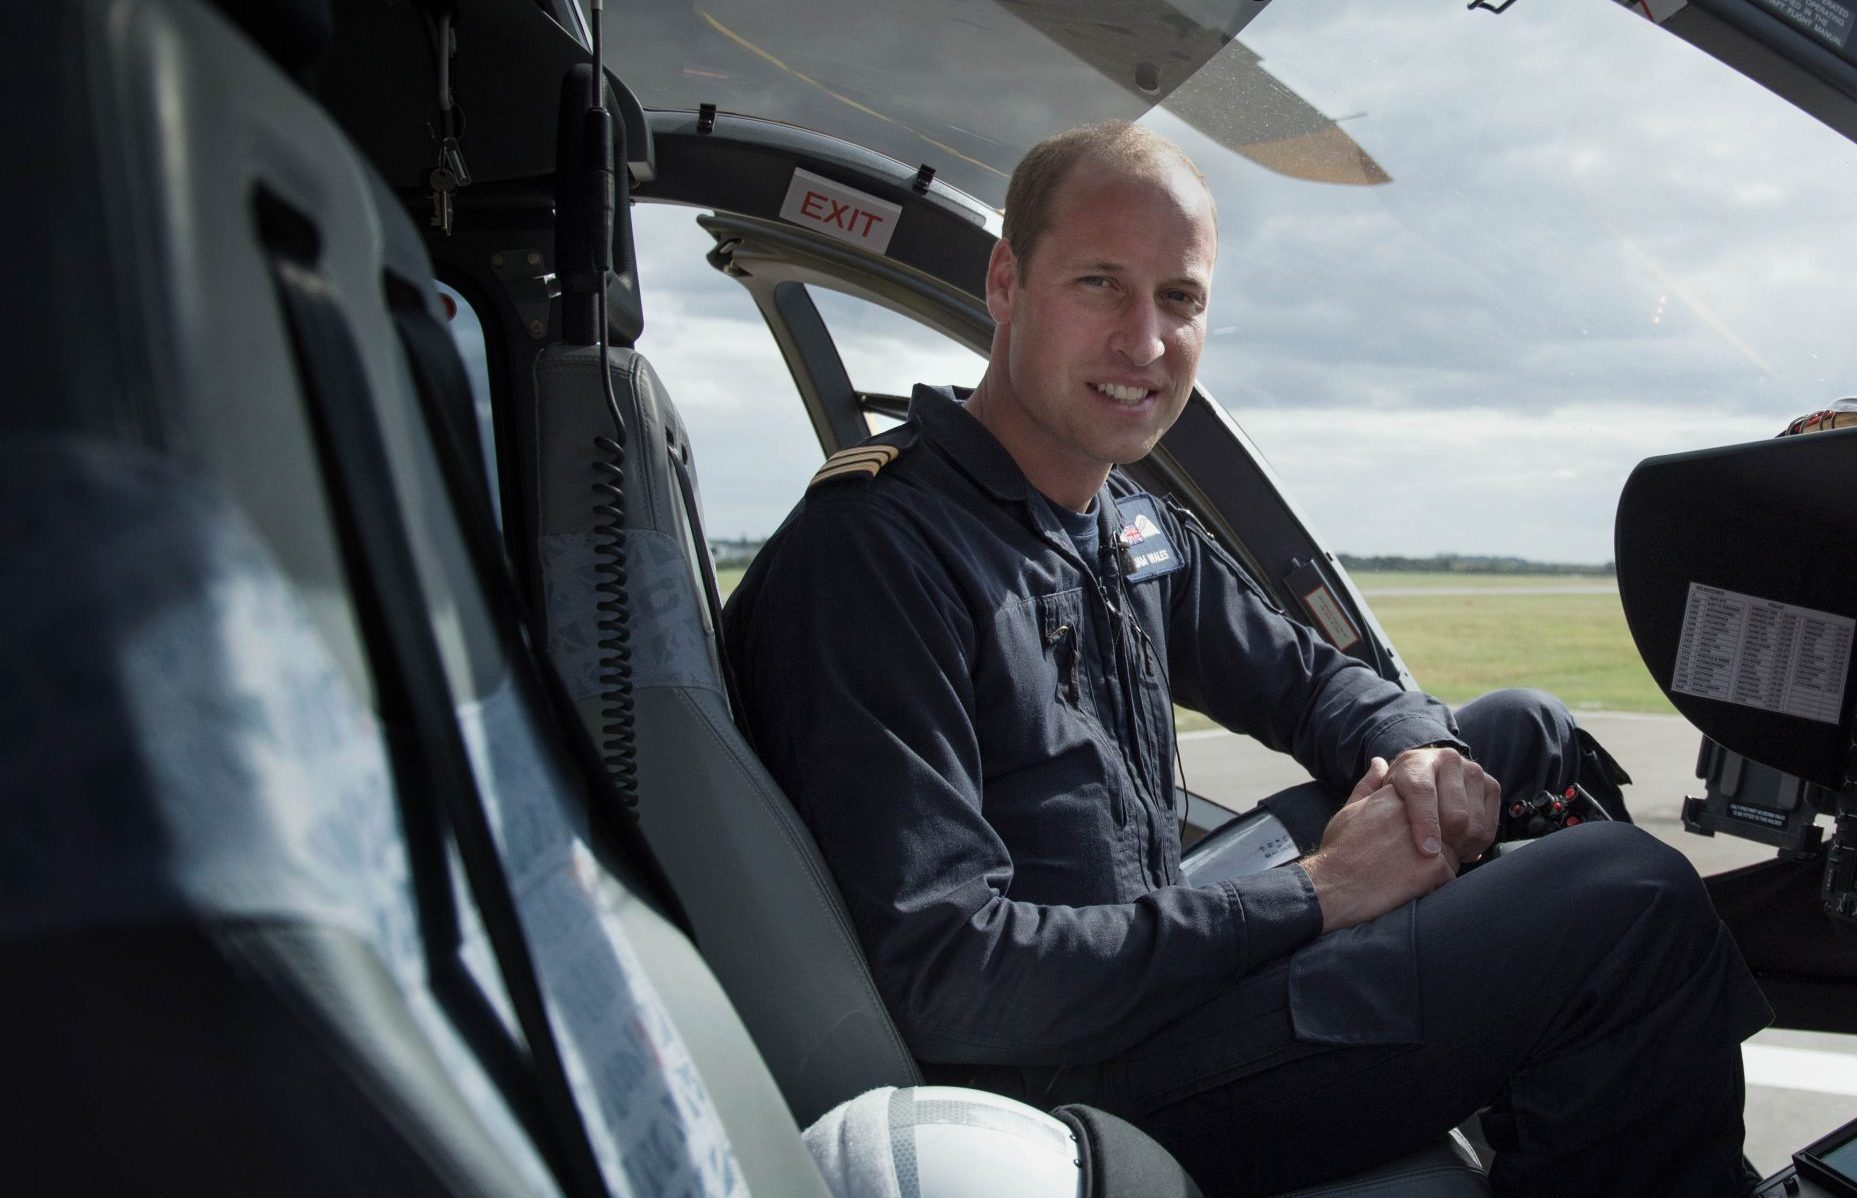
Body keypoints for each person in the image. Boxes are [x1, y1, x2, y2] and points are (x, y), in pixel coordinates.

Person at [724, 121, 1770, 1196]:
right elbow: (953, 976)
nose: (1145, 342)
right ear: (1005, 283)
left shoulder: (1115, 520)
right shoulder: (877, 558)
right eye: (1099, 284)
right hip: (1067, 1080)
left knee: (1513, 735)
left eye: (1178, 299)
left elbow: (1313, 681)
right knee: (1629, 893)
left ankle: (1564, 1090)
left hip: (1160, 967)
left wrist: (1413, 756)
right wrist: (1320, 894)